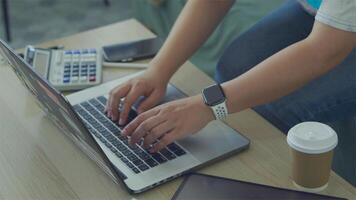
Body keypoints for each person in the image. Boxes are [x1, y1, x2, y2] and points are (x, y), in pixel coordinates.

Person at [106, 0, 356, 153]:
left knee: (275, 107)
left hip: (334, 35)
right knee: (231, 71)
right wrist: (158, 70)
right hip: (320, 7)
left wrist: (206, 105)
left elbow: (323, 51)